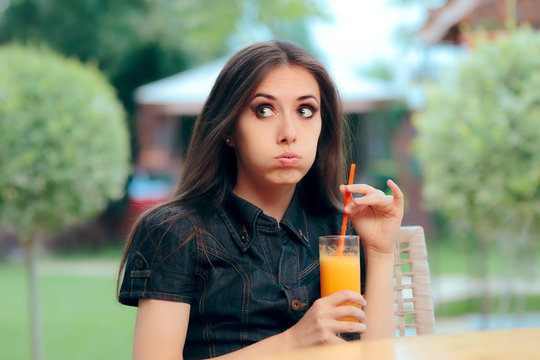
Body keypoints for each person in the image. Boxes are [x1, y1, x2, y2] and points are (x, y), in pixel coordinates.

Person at [117, 40, 404, 360]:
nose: (288, 132)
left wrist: (379, 252)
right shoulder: (176, 233)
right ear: (228, 128)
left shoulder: (341, 230)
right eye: (263, 110)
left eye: (305, 110)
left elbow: (375, 356)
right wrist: (292, 342)